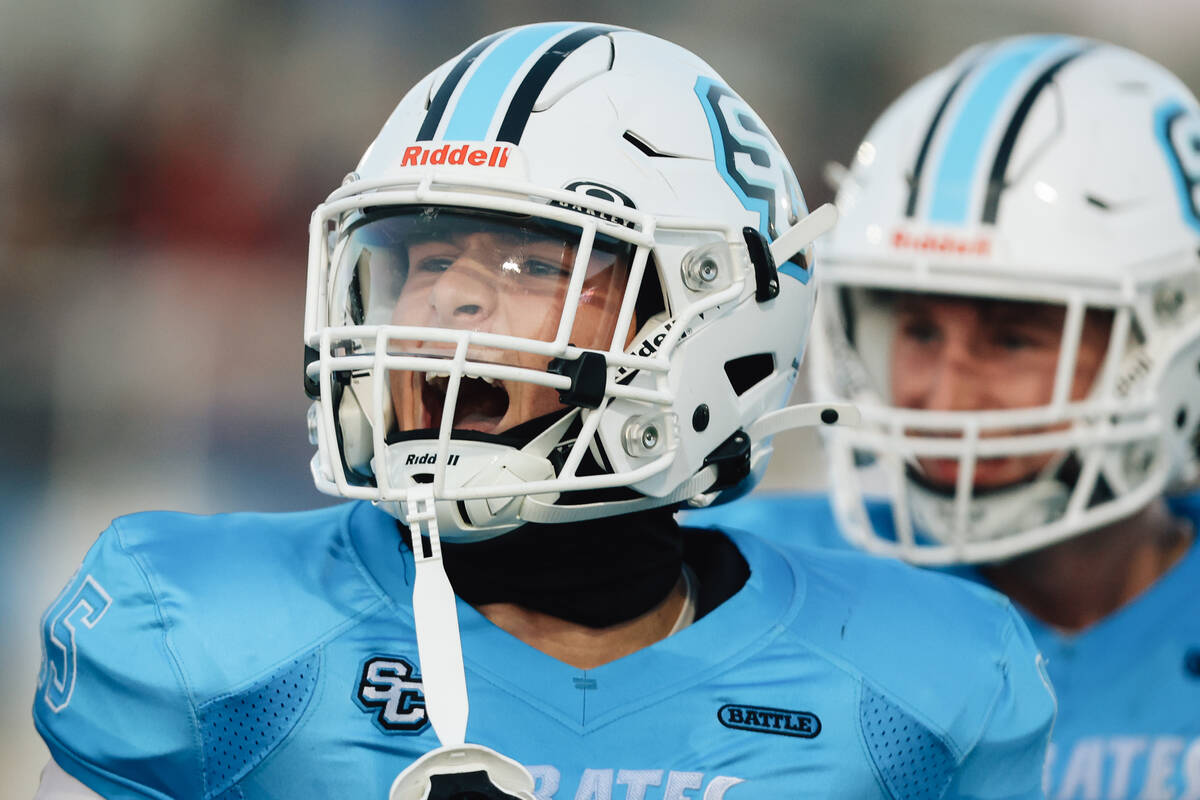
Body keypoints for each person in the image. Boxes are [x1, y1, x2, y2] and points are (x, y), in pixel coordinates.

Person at [32, 23, 1054, 800]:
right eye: (425, 258)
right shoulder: (196, 634)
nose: (449, 300)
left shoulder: (919, 681)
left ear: (711, 320)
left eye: (528, 262)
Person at [691, 34, 1200, 799]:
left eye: (1013, 338)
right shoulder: (736, 581)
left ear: (1167, 339)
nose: (942, 392)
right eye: (918, 331)